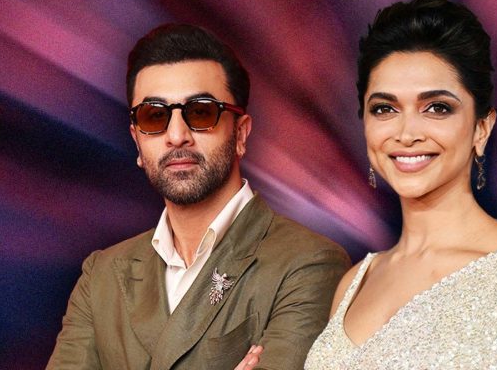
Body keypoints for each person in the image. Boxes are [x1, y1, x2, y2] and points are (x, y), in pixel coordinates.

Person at [46, 24, 350, 370]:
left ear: (241, 133)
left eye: (201, 112)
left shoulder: (309, 264)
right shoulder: (102, 275)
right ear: (137, 141)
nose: (177, 135)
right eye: (154, 116)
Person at [302, 0, 497, 368]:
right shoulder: (354, 282)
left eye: (437, 108)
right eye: (384, 108)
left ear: (481, 128)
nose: (406, 133)